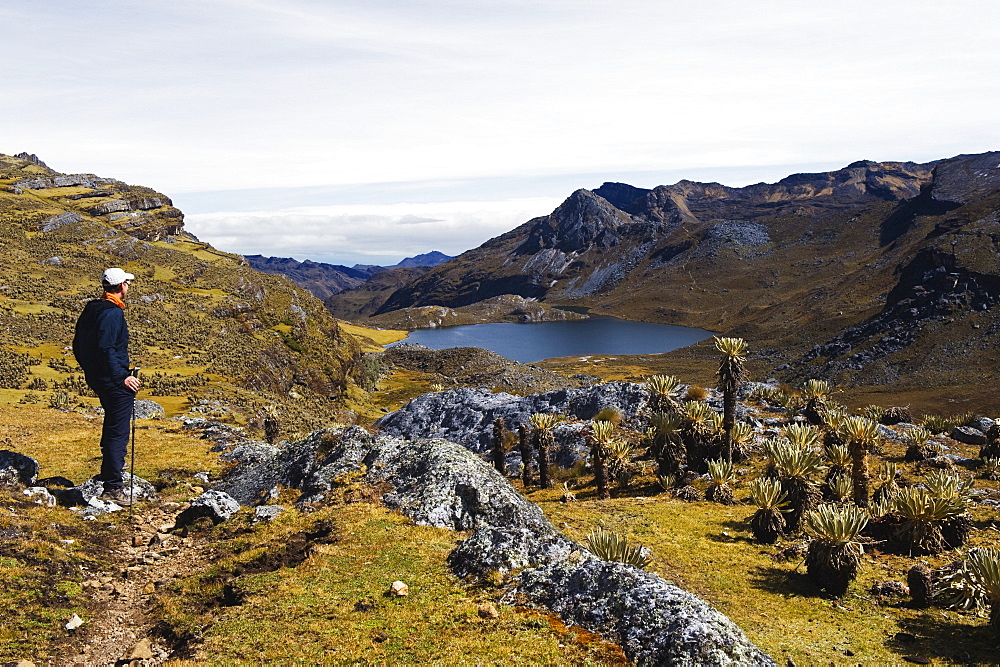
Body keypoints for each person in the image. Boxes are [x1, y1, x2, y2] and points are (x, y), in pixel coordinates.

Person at [72, 268, 142, 506]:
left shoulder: (92, 308)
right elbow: (107, 349)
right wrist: (122, 377)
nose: (128, 287)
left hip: (99, 379)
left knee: (112, 425)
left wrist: (92, 372)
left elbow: (78, 345)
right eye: (127, 283)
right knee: (118, 433)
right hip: (114, 383)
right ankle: (113, 486)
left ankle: (109, 476)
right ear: (121, 285)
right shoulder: (113, 314)